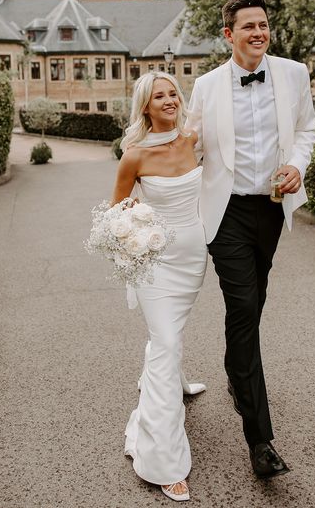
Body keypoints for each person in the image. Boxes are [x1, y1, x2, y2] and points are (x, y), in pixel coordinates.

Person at [187, 0, 315, 479]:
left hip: (272, 209)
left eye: (264, 24)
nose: (259, 33)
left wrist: (297, 166)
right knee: (243, 306)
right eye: (249, 27)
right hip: (225, 211)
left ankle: (235, 372)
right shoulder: (207, 85)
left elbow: (307, 129)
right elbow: (190, 144)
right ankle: (259, 439)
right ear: (229, 35)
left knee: (253, 304)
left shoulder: (294, 73)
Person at [111, 72, 207, 502]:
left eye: (173, 93)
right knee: (166, 341)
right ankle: (164, 462)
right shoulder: (133, 156)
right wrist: (135, 226)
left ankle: (175, 381)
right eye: (159, 96)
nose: (169, 100)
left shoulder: (193, 139)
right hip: (155, 263)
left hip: (193, 261)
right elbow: (115, 214)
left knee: (168, 340)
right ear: (144, 107)